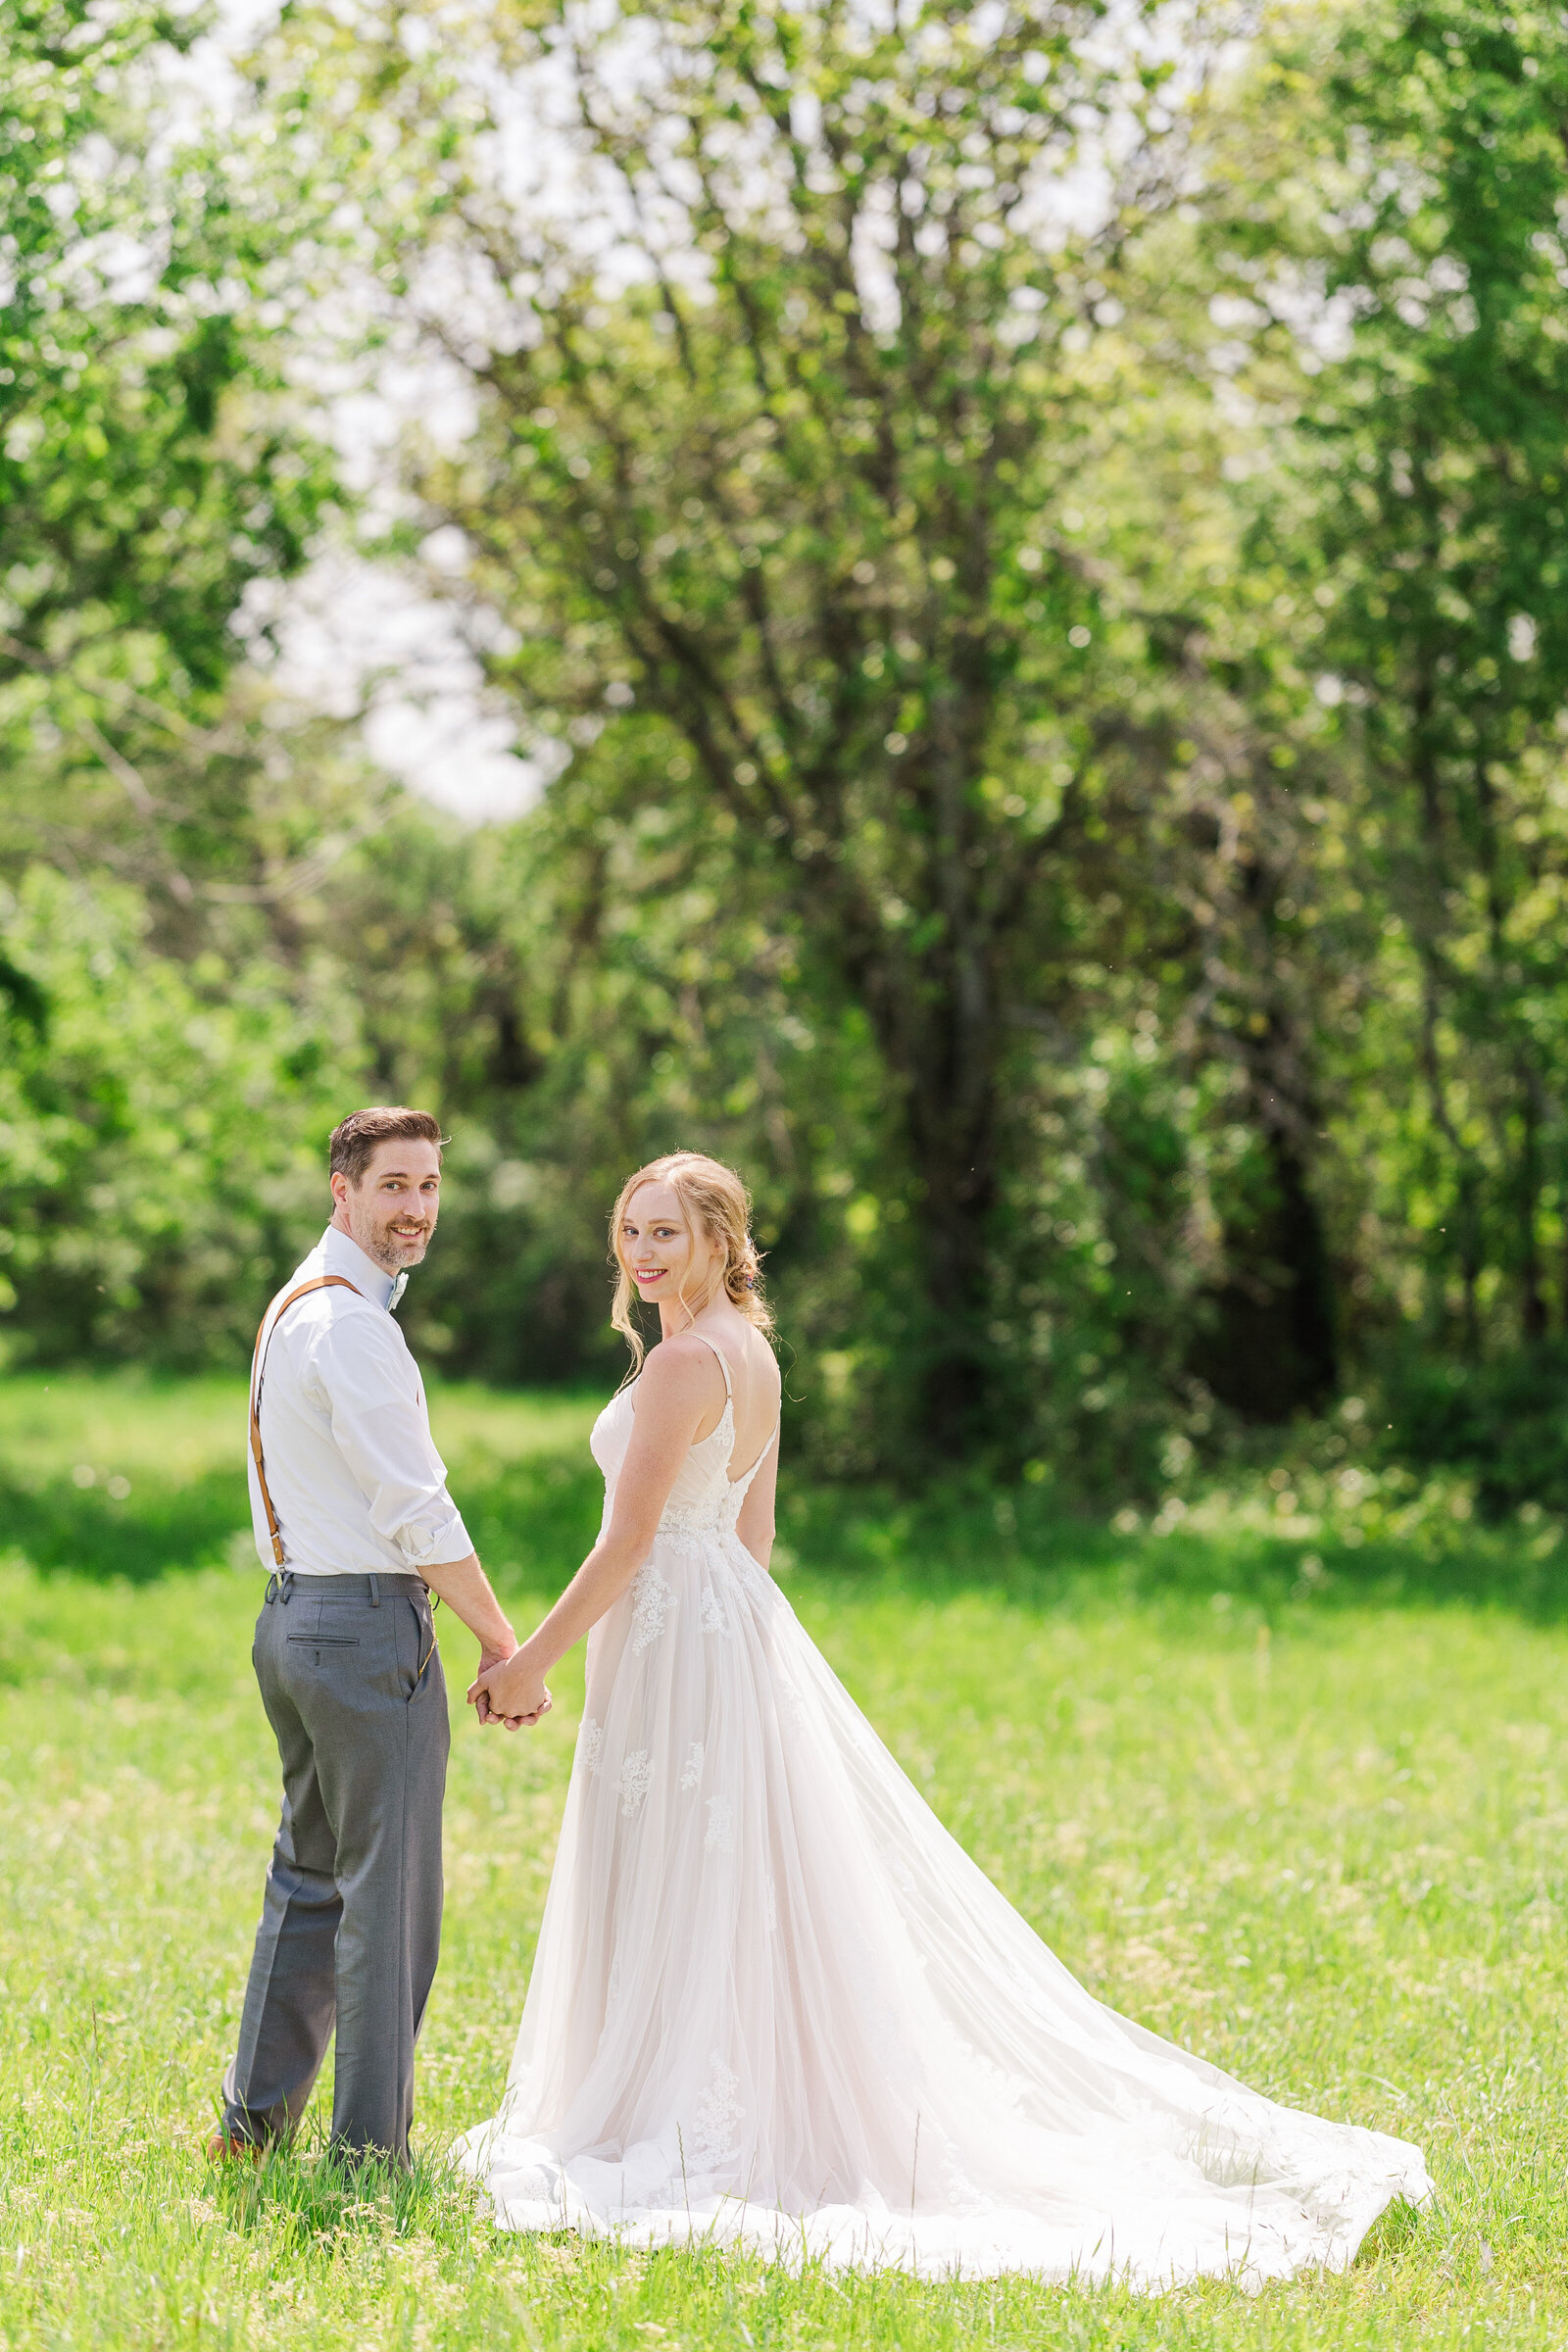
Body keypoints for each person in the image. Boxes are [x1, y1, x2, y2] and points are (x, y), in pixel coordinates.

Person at [457, 1149, 1433, 2286]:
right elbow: (753, 1540)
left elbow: (627, 1541)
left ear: (720, 1242)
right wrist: (731, 1655)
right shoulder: (752, 1355)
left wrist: (533, 1661)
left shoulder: (685, 1367)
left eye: (666, 1232)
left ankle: (673, 2104)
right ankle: (714, 2081)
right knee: (719, 1871)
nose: (641, 1252)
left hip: (678, 1627)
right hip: (718, 1628)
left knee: (686, 1862)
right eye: (630, 1230)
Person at [211, 1105, 544, 2167]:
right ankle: (367, 2160)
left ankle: (252, 2132)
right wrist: (502, 1641)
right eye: (394, 1186)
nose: (415, 1209)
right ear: (342, 1190)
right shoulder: (350, 1325)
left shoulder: (303, 1305)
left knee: (310, 1882)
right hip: (359, 1629)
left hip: (295, 1620)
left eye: (429, 1187)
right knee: (387, 1909)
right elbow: (418, 1511)